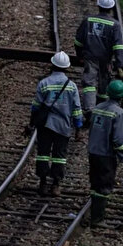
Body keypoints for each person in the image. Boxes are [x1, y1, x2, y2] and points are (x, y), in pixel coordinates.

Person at [31, 51, 84, 197]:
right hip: (63, 126)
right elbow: (76, 109)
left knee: (43, 153)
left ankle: (43, 183)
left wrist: (31, 124)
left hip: (45, 125)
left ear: (52, 64)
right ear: (67, 67)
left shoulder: (44, 83)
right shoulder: (72, 86)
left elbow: (36, 107)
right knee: (59, 155)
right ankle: (56, 184)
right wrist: (78, 128)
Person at [87, 79, 123, 227]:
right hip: (106, 155)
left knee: (95, 184)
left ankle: (94, 215)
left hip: (93, 152)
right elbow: (118, 139)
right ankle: (97, 219)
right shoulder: (118, 113)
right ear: (121, 96)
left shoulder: (97, 108)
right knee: (104, 186)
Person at [74, 0, 123, 117]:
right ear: (111, 8)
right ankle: (101, 109)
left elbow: (78, 41)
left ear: (98, 5)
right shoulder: (115, 25)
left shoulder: (88, 20)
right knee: (104, 84)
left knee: (89, 83)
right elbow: (118, 46)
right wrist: (119, 65)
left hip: (90, 57)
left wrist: (79, 55)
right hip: (106, 60)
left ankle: (89, 110)